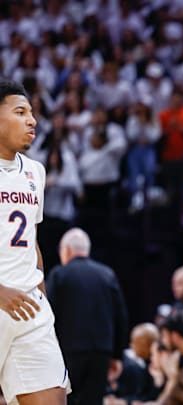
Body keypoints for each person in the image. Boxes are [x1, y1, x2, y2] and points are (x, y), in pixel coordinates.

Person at [0, 79, 70, 405]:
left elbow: (31, 240)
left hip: (29, 309)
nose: (33, 121)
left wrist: (41, 294)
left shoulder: (35, 172)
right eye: (20, 112)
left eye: (31, 112)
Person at [46, 227, 129, 405]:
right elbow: (120, 315)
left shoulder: (59, 274)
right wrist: (117, 355)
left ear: (66, 250)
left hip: (68, 352)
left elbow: (48, 314)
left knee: (65, 400)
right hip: (101, 352)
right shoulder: (107, 274)